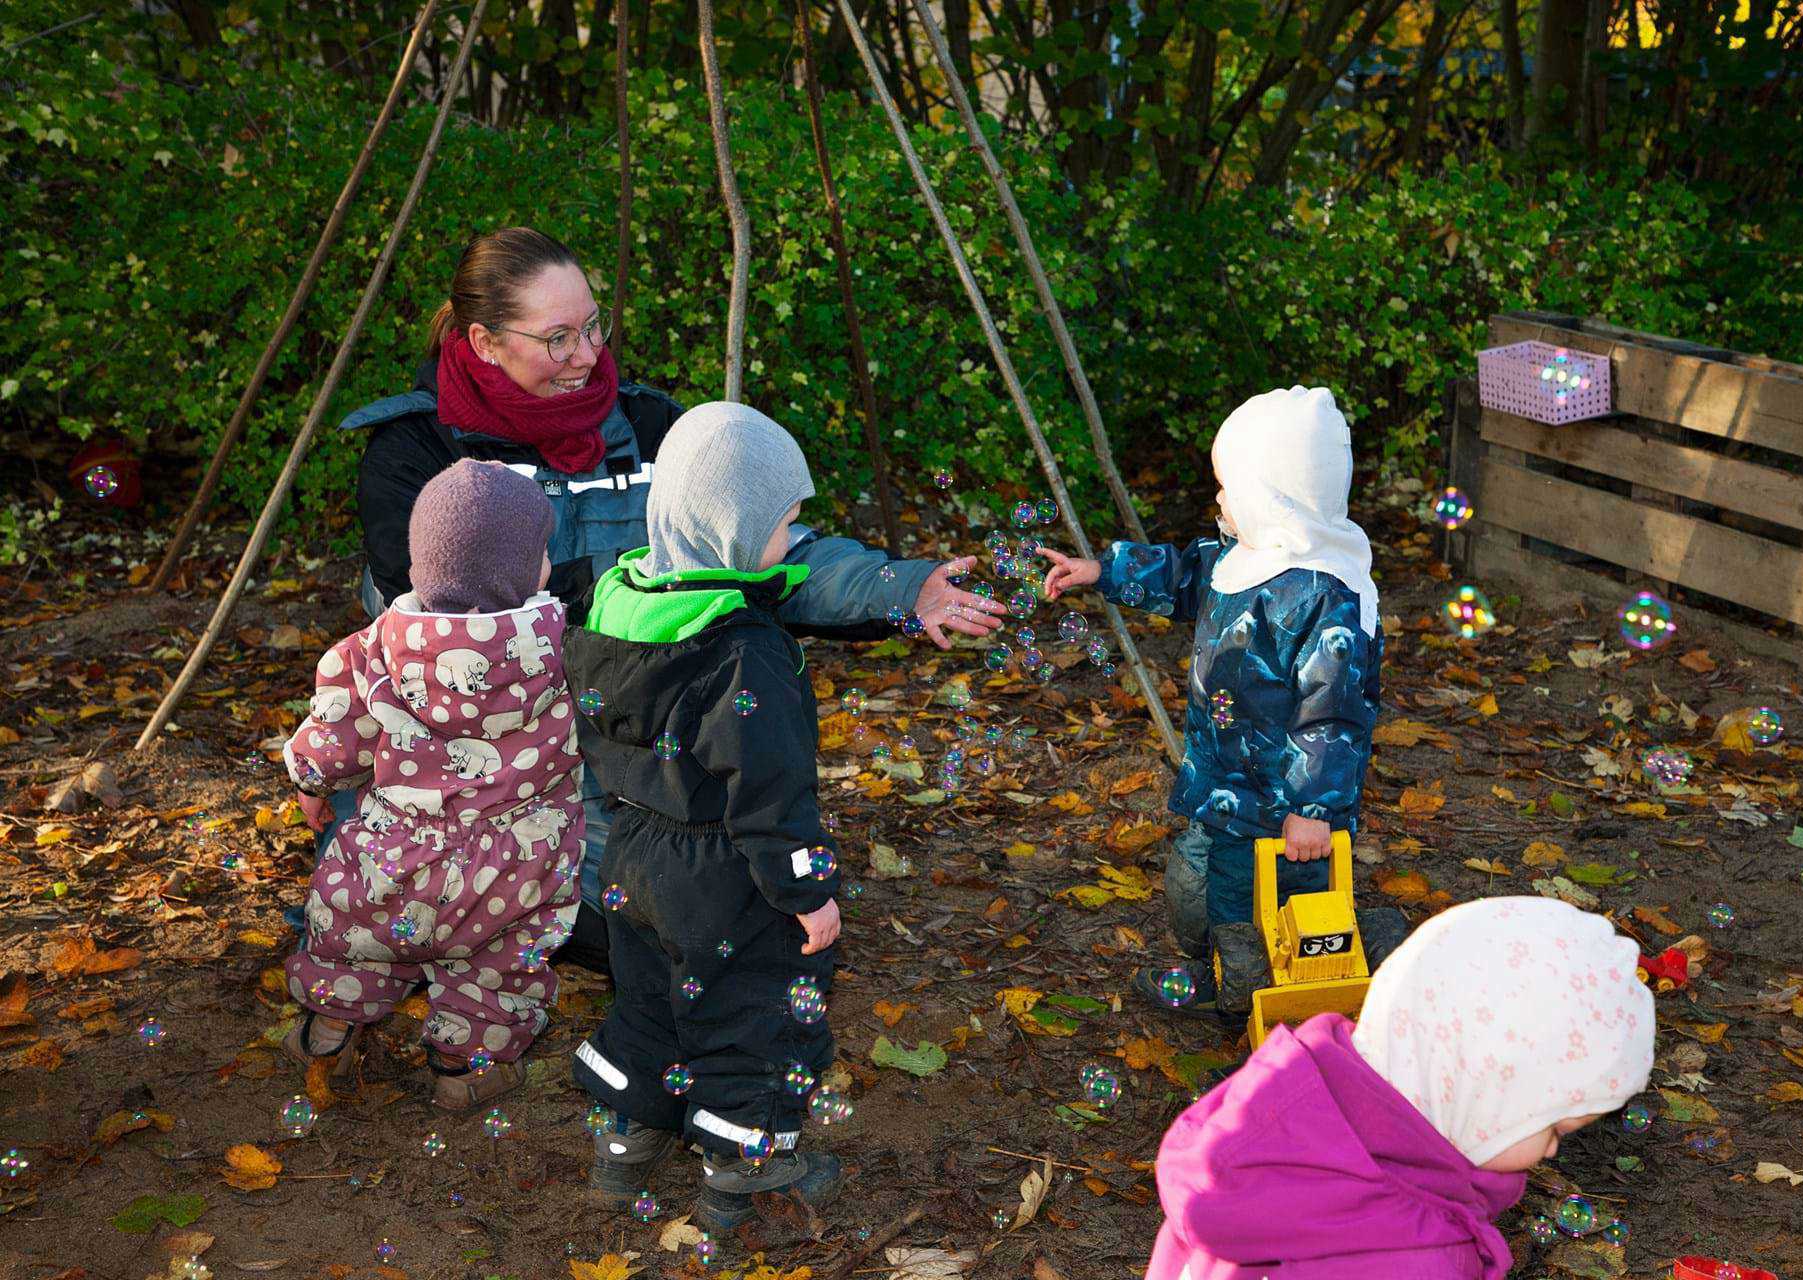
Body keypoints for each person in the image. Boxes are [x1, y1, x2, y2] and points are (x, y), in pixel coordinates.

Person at [331, 226, 1005, 971]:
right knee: (529, 904)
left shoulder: (649, 426)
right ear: (485, 341)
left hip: (637, 742)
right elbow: (445, 632)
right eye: (558, 339)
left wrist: (903, 587)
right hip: (498, 757)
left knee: (722, 910)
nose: (589, 356)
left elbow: (757, 551)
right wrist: (631, 592)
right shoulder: (415, 453)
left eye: (594, 326)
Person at [564, 403, 844, 1232]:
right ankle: (740, 1167)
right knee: (751, 1010)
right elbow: (770, 793)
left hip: (633, 853)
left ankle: (623, 1152)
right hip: (727, 871)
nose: (792, 540)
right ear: (731, 527)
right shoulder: (743, 649)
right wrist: (805, 889)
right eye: (784, 523)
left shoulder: (621, 611)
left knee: (649, 998)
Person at [1040, 385, 1397, 1019]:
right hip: (1226, 777)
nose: (1219, 500)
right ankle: (1229, 971)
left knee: (1267, 896)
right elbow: (1181, 573)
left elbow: (1334, 713)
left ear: (1276, 495)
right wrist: (1103, 571)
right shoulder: (1238, 559)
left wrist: (1315, 808)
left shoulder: (1325, 595)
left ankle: (1262, 990)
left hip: (1286, 807)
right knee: (1208, 888)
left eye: (1229, 486)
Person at [280, 460, 581, 1112]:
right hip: (517, 870)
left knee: (356, 944)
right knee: (497, 974)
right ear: (532, 570)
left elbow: (333, 741)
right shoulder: (565, 650)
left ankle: (328, 1030)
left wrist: (309, 779)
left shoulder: (374, 650)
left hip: (393, 859)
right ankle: (464, 1070)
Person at [1146, 896, 1656, 1280]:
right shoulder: (1422, 1254)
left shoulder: (1266, 1137)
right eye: (1555, 1128)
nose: (1550, 1150)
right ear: (1482, 1094)